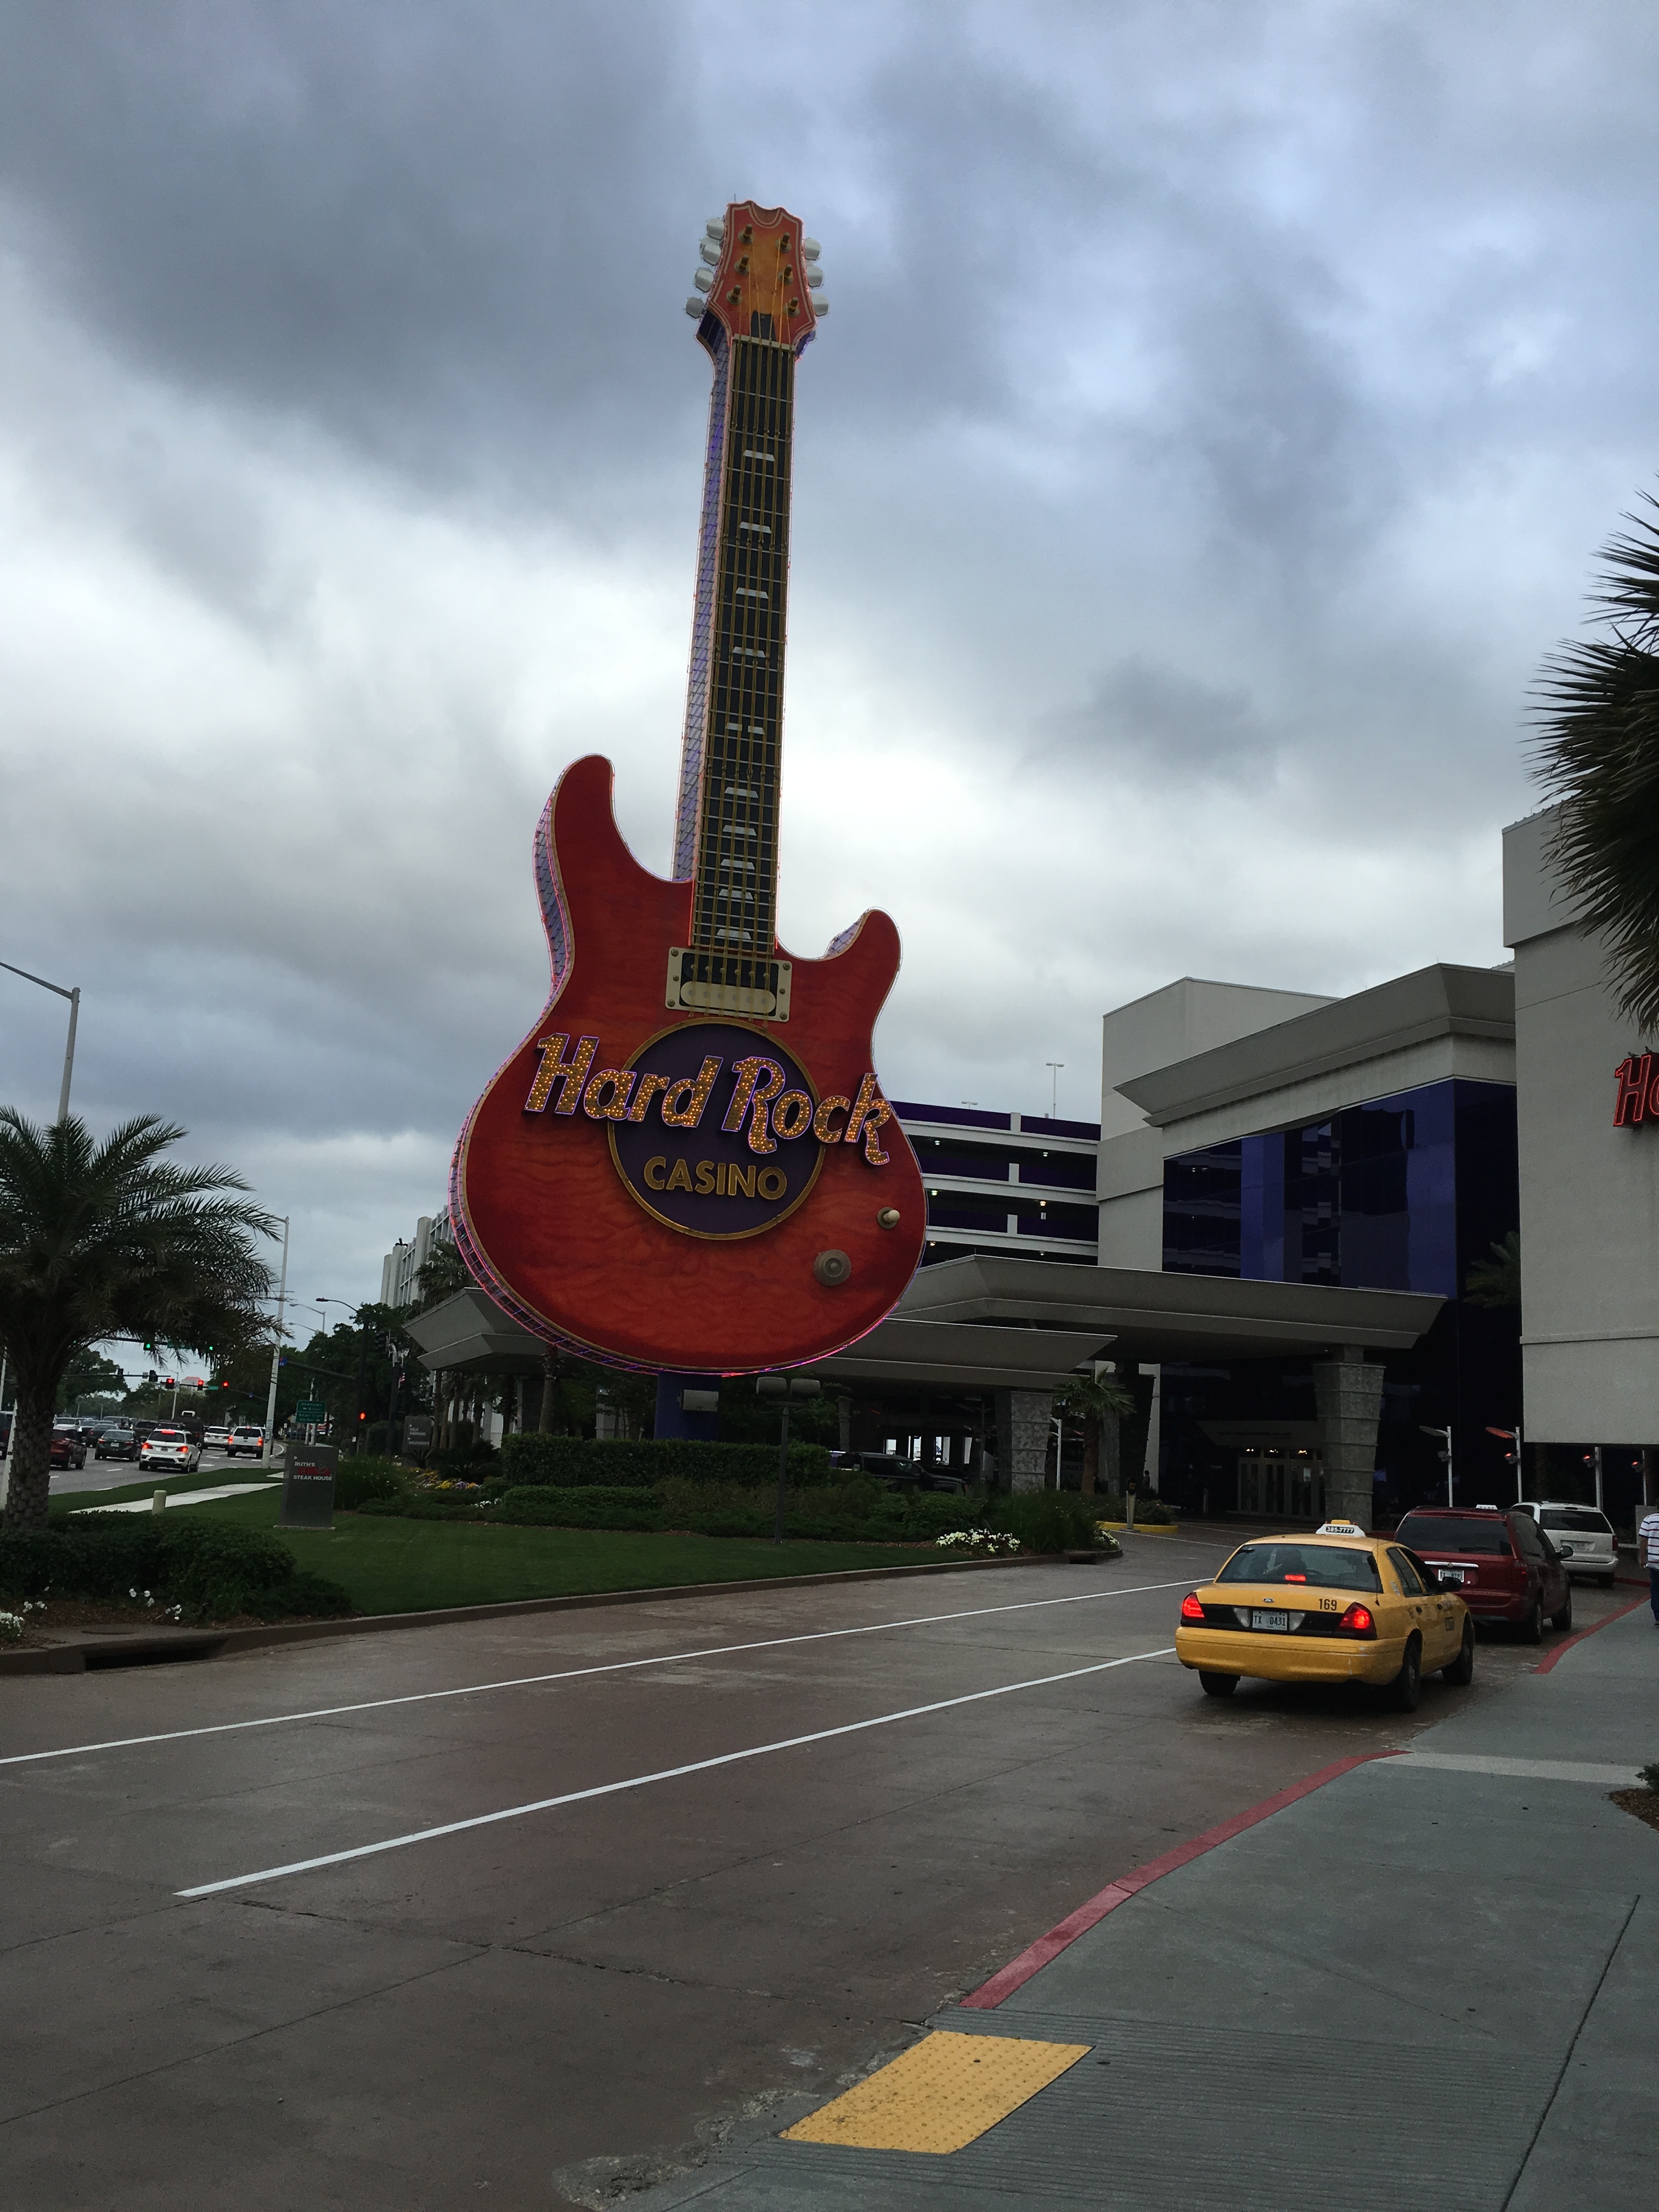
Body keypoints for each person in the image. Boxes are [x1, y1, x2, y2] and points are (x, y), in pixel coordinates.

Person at [1641, 1497, 1659, 1626]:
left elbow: (1643, 1541)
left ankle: (1658, 1616)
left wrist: (1642, 1558)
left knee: (1656, 1589)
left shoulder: (1648, 1520)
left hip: (1654, 1561)